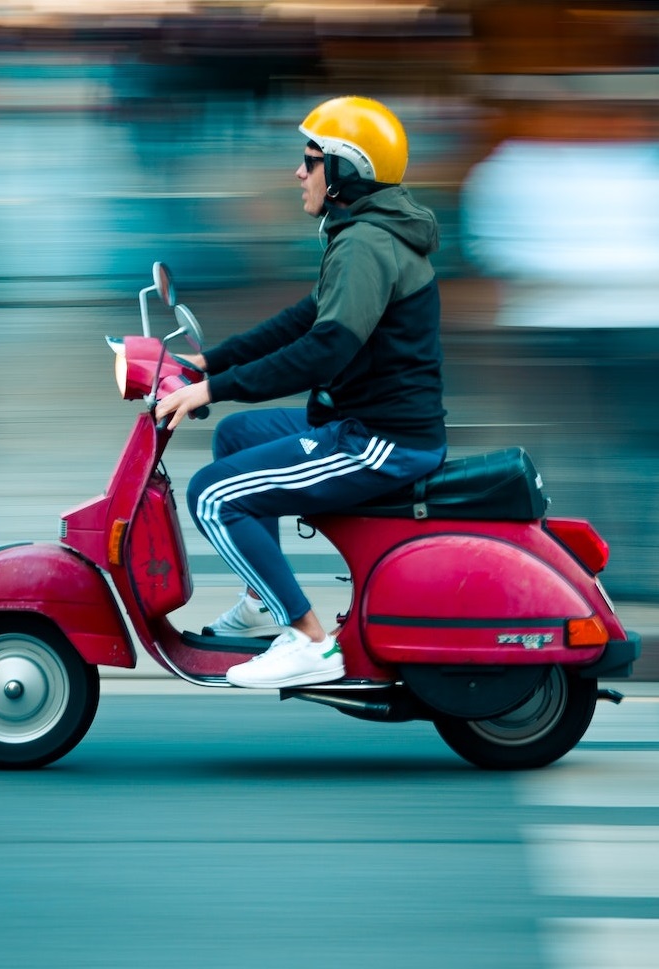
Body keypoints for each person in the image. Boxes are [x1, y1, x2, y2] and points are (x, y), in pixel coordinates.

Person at [153, 96, 447, 689]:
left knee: (212, 496)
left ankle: (311, 642)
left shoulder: (366, 244)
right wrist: (208, 362)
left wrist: (215, 388)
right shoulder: (364, 234)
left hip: (381, 440)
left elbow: (323, 350)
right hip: (364, 421)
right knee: (237, 437)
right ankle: (263, 602)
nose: (298, 172)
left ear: (342, 171)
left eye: (310, 160)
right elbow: (302, 320)